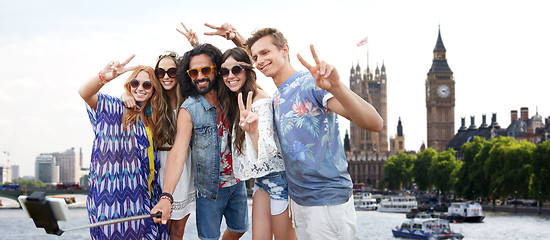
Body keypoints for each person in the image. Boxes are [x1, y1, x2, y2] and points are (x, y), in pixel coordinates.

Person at [246, 28, 384, 240]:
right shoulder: (276, 96)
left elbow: (375, 123)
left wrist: (337, 86)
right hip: (300, 201)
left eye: (265, 53)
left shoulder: (310, 83)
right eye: (255, 57)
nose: (259, 60)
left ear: (285, 50)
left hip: (327, 201)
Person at [152, 44, 248, 240]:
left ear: (217, 69)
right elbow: (178, 152)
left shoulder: (231, 95)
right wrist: (166, 196)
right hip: (209, 189)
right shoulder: (189, 108)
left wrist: (234, 37)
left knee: (240, 229)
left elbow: (248, 69)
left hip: (238, 182)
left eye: (205, 70)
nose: (200, 76)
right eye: (193, 72)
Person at [78, 55, 169, 239]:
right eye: (135, 83)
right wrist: (103, 77)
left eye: (147, 85)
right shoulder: (114, 109)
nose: (140, 88)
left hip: (146, 202)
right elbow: (85, 93)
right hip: (113, 207)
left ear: (154, 90)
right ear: (129, 85)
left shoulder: (154, 121)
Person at [218, 47, 296, 240]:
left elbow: (268, 150)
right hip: (262, 180)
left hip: (279, 180)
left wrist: (253, 132)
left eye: (236, 69)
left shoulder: (260, 101)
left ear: (247, 71)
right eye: (224, 71)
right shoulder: (238, 100)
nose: (230, 75)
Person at [123, 51, 195, 240]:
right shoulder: (153, 100)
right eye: (160, 72)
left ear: (180, 73)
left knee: (178, 230)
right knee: (160, 227)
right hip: (156, 166)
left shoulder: (189, 100)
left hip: (183, 165)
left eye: (172, 71)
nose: (166, 76)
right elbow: (133, 93)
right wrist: (125, 94)